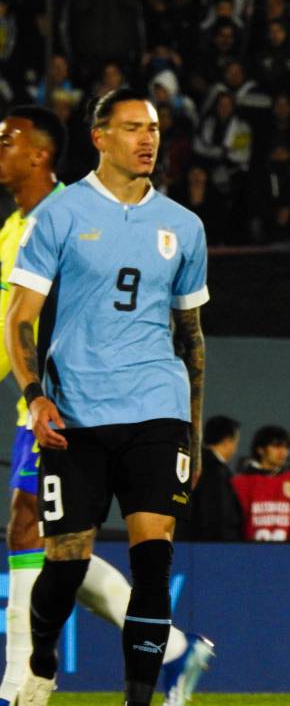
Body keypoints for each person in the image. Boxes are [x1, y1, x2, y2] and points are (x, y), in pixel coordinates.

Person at [3, 88, 210, 706]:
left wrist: (192, 435)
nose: (147, 139)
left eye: (152, 128)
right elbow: (21, 319)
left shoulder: (184, 226)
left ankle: (141, 695)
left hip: (156, 407)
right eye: (131, 128)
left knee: (154, 562)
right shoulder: (59, 217)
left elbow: (192, 338)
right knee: (61, 561)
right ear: (99, 137)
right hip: (75, 412)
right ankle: (37, 663)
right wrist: (36, 394)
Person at [231, 425, 290, 542]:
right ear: (260, 449)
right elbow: (232, 526)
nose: (283, 452)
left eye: (286, 447)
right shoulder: (240, 483)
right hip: (248, 555)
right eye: (276, 446)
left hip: (289, 555)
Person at [176, 415, 242, 542]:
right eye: (236, 442)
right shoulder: (214, 470)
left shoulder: (194, 463)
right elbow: (216, 514)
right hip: (210, 547)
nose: (235, 448)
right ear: (227, 441)